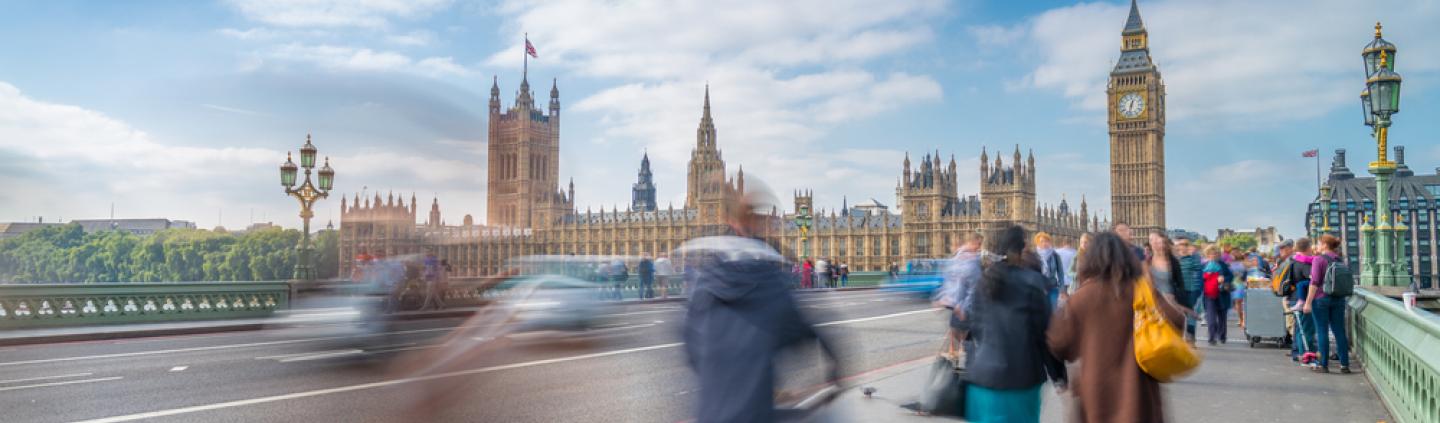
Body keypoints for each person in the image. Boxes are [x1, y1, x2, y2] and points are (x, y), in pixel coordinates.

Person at [680, 186, 842, 423]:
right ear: (758, 222)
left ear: (730, 220)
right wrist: (834, 369)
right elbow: (806, 330)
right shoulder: (769, 278)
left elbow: (690, 345)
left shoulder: (705, 279)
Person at [1049, 231, 1183, 423]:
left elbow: (1058, 342)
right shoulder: (1141, 290)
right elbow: (1178, 320)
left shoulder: (1082, 297)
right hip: (1139, 392)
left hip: (1097, 394)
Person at [964, 226, 1067, 422]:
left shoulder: (983, 282)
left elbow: (975, 330)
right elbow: (1045, 336)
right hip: (1019, 382)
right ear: (1018, 251)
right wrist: (1059, 376)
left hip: (980, 382)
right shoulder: (1032, 282)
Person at [1303, 234, 1351, 373]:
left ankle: (1323, 364)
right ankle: (1344, 365)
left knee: (1322, 331)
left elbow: (1315, 283)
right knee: (1339, 331)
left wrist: (1307, 303)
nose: (1317, 246)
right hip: (1338, 298)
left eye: (1318, 243)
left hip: (1321, 299)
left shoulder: (1318, 260)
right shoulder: (1340, 260)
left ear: (1324, 245)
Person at [938, 232, 984, 358]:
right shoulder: (971, 260)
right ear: (973, 242)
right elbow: (972, 288)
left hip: (956, 304)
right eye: (978, 244)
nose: (979, 247)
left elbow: (949, 279)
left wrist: (944, 297)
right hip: (963, 307)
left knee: (958, 334)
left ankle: (957, 353)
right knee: (968, 338)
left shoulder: (958, 258)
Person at [1201, 245, 1234, 345]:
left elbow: (1230, 276)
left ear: (1218, 254)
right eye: (1211, 254)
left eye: (1215, 253)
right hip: (1209, 295)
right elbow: (1199, 279)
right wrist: (1206, 277)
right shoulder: (1204, 266)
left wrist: (1224, 278)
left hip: (1222, 294)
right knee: (1211, 318)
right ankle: (1212, 337)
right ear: (1207, 255)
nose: (1213, 255)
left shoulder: (1222, 265)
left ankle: (1222, 336)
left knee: (1222, 317)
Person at [1175, 237, 1205, 345]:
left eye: (1185, 246)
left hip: (1192, 290)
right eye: (1180, 246)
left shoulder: (1194, 259)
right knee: (1181, 314)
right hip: (1180, 291)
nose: (1182, 249)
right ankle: (1181, 338)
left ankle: (1190, 339)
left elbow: (1201, 271)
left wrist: (1199, 290)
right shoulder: (1176, 260)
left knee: (1191, 314)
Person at [1034, 232, 1065, 309]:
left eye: (1046, 241)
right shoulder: (1034, 256)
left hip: (1052, 287)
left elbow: (1060, 273)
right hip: (1039, 288)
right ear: (1037, 243)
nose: (1044, 243)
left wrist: (1062, 289)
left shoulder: (1055, 255)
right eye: (1042, 241)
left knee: (1053, 310)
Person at [1227, 246, 1249, 327]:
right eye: (1232, 253)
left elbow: (1247, 273)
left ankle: (1243, 320)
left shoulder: (1244, 262)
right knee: (1237, 302)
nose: (1234, 254)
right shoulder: (1228, 263)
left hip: (1241, 283)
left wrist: (1244, 279)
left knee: (1240, 301)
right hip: (1233, 284)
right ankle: (1241, 319)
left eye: (1236, 252)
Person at [1055, 237, 1077, 302]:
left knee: (1061, 301)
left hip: (1059, 279)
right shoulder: (1076, 252)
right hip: (1072, 279)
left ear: (1063, 243)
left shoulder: (1056, 252)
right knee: (1072, 300)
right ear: (1072, 243)